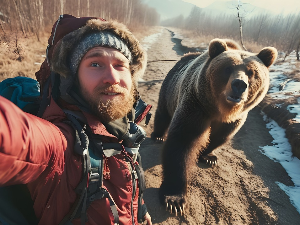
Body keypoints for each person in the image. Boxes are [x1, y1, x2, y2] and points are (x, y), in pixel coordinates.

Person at [0, 14, 152, 225]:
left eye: (120, 65)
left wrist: (140, 208)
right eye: (96, 64)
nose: (112, 77)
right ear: (72, 79)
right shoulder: (62, 144)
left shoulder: (124, 128)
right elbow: (16, 136)